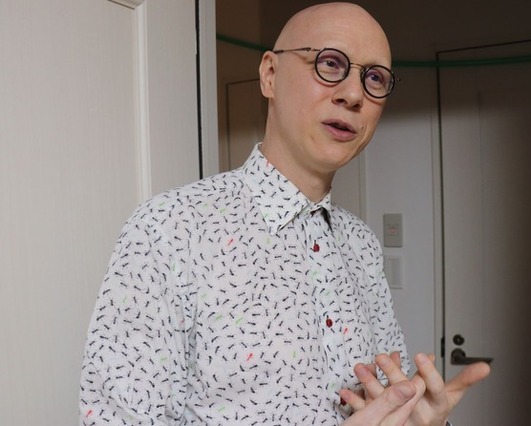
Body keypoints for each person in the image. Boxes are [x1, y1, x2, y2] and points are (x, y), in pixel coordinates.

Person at [79, 2, 489, 425]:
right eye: (330, 63)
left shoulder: (361, 243)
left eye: (374, 78)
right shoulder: (169, 229)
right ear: (270, 75)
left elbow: (386, 401)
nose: (353, 95)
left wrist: (418, 422)